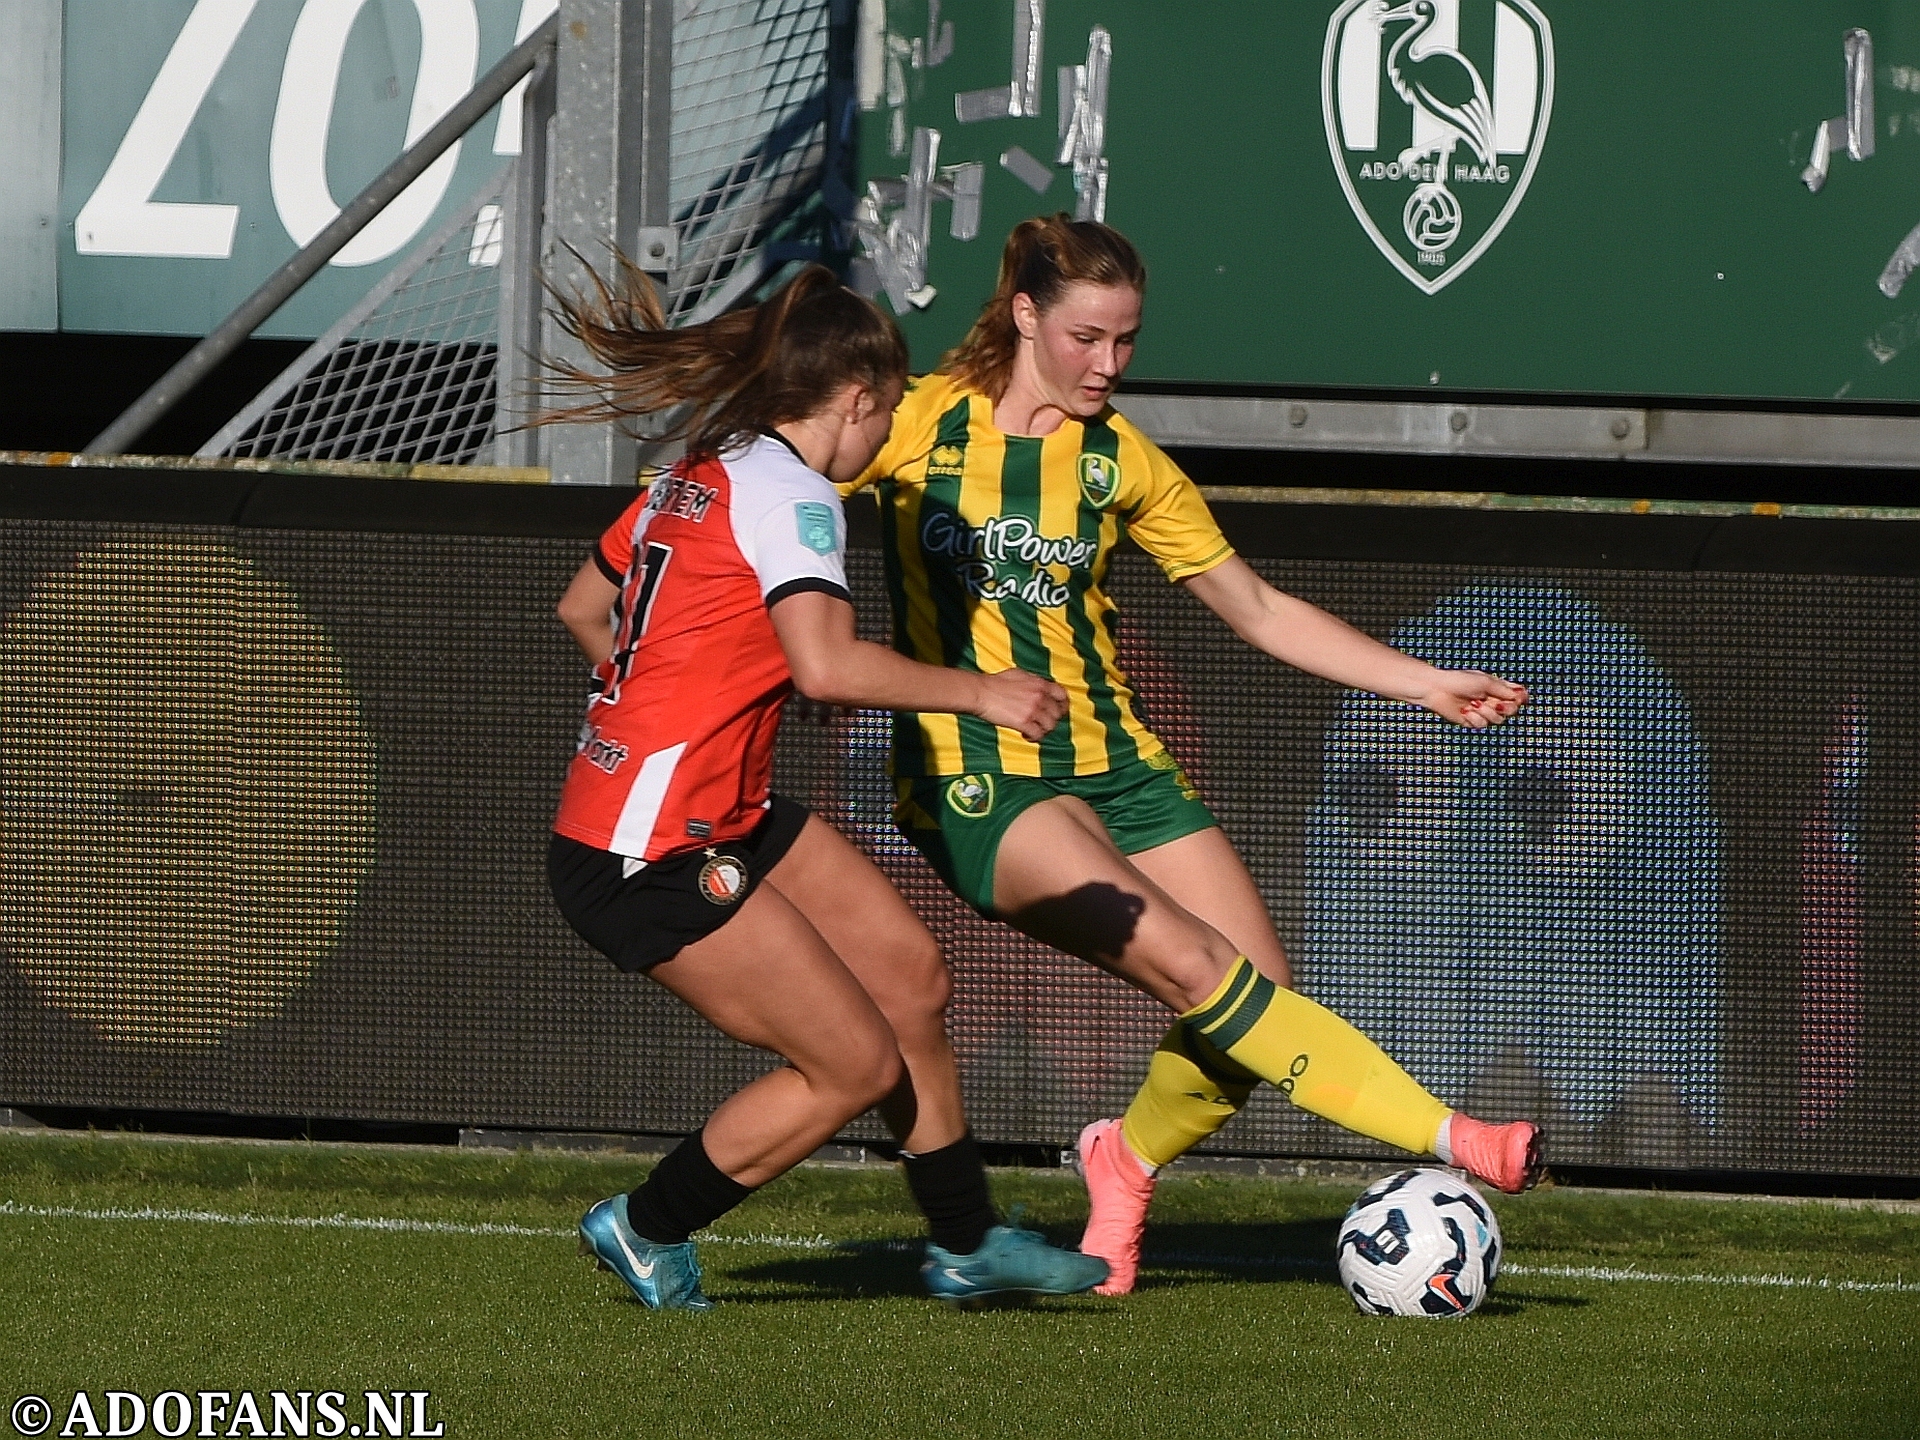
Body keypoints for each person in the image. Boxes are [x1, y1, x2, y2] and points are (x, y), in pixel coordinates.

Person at [843, 215, 1543, 1296]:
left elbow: (1257, 608)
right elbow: (778, 499)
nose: (1108, 365)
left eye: (1126, 341)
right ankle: (1452, 1137)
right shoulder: (912, 425)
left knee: (1257, 992)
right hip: (976, 775)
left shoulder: (1122, 460)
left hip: (1117, 766)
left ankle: (1121, 1164)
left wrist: (1423, 682)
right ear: (1025, 314)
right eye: (1086, 337)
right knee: (1200, 971)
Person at [540, 260, 1108, 1309]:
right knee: (851, 1067)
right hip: (650, 846)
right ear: (853, 402)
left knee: (910, 976)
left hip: (717, 809)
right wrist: (983, 693)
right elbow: (828, 667)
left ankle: (966, 1243)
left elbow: (586, 607)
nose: (885, 437)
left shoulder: (707, 468)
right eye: (885, 414)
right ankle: (646, 1225)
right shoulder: (797, 494)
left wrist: (692, 678)